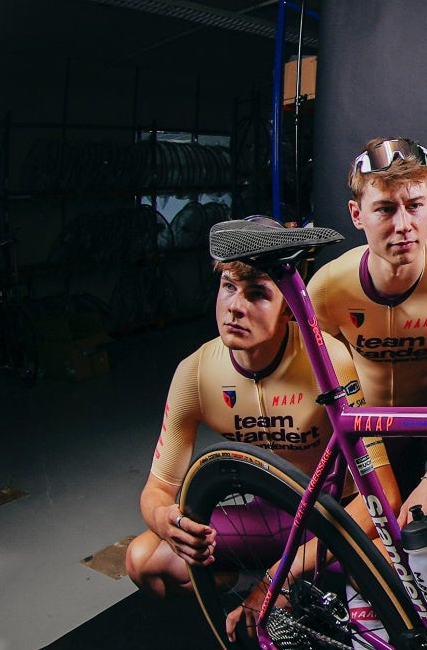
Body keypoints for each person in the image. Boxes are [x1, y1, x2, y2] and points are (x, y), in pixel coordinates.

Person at [125, 226, 395, 608]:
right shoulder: (196, 372)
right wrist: (166, 520)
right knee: (143, 561)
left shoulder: (328, 360)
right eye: (229, 287)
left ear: (287, 307)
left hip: (327, 520)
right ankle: (239, 578)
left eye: (257, 294)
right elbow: (157, 489)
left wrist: (277, 580)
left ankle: (281, 585)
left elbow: (383, 495)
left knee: (396, 582)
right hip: (261, 518)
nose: (236, 306)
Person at [307, 137, 427, 597]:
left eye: (414, 205)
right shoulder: (328, 289)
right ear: (357, 216)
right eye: (384, 210)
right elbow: (320, 397)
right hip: (367, 421)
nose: (404, 225)